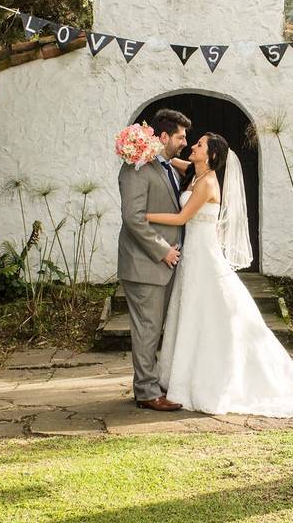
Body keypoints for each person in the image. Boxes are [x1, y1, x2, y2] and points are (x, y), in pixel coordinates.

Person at [147, 133, 293, 417]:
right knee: (192, 313)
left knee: (213, 313)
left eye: (200, 145)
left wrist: (144, 216)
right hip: (191, 258)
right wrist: (149, 148)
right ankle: (184, 375)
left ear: (212, 156)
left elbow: (181, 218)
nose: (193, 146)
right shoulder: (193, 173)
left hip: (204, 256)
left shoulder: (207, 183)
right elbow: (167, 160)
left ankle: (217, 379)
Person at [117, 108, 190, 411]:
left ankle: (150, 383)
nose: (185, 141)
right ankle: (147, 393)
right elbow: (133, 219)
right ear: (163, 136)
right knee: (147, 329)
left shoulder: (164, 166)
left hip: (163, 266)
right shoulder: (137, 168)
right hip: (146, 263)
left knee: (154, 327)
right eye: (181, 136)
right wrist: (163, 250)